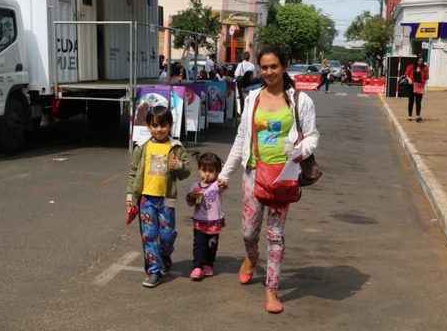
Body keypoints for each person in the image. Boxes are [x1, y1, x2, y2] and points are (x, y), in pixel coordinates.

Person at [218, 46, 319, 314]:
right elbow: (241, 138)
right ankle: (251, 258)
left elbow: (312, 136)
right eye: (264, 67)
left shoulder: (299, 100)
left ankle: (271, 289)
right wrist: (224, 173)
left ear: (284, 67)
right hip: (253, 173)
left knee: (275, 235)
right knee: (248, 231)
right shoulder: (252, 99)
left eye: (274, 66)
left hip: (283, 177)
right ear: (258, 69)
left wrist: (299, 152)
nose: (269, 72)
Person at [126, 106, 191, 288]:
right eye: (155, 125)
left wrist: (178, 165)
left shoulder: (175, 147)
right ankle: (154, 271)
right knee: (149, 236)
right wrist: (130, 196)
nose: (159, 129)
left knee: (167, 235)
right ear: (148, 126)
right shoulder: (142, 146)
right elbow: (133, 173)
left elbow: (186, 171)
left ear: (170, 126)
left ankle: (164, 254)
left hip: (166, 200)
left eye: (163, 125)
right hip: (146, 199)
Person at [186, 152, 226, 281]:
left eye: (211, 171)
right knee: (199, 245)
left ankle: (209, 264)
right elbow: (190, 203)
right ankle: (197, 266)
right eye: (203, 170)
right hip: (199, 221)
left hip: (214, 221)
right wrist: (193, 196)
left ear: (217, 172)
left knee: (212, 245)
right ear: (199, 170)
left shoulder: (216, 185)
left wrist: (222, 180)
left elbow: (224, 185)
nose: (207, 174)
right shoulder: (195, 186)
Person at [404, 55, 429, 122]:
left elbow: (427, 77)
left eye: (422, 61)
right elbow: (406, 74)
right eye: (419, 60)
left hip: (420, 86)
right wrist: (409, 79)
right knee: (411, 101)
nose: (420, 62)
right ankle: (410, 116)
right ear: (417, 60)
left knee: (418, 102)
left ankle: (418, 116)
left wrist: (426, 75)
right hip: (411, 86)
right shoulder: (411, 66)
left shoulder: (425, 68)